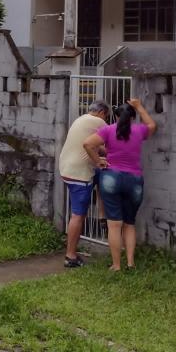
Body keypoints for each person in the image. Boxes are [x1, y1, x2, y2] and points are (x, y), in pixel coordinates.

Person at [83, 99, 156, 271]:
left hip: (111, 178)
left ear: (115, 116)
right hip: (134, 180)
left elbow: (87, 144)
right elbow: (152, 125)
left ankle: (116, 265)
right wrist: (139, 106)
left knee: (114, 224)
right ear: (132, 117)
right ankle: (130, 263)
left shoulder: (108, 130)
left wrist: (98, 161)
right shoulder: (139, 130)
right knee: (129, 223)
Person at [59, 100, 111, 268]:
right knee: (78, 215)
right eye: (107, 116)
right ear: (102, 112)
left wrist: (100, 157)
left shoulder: (81, 120)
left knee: (101, 175)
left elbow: (98, 146)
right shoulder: (100, 122)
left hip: (66, 169)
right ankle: (70, 256)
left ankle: (102, 215)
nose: (107, 119)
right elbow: (105, 145)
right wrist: (100, 160)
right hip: (79, 175)